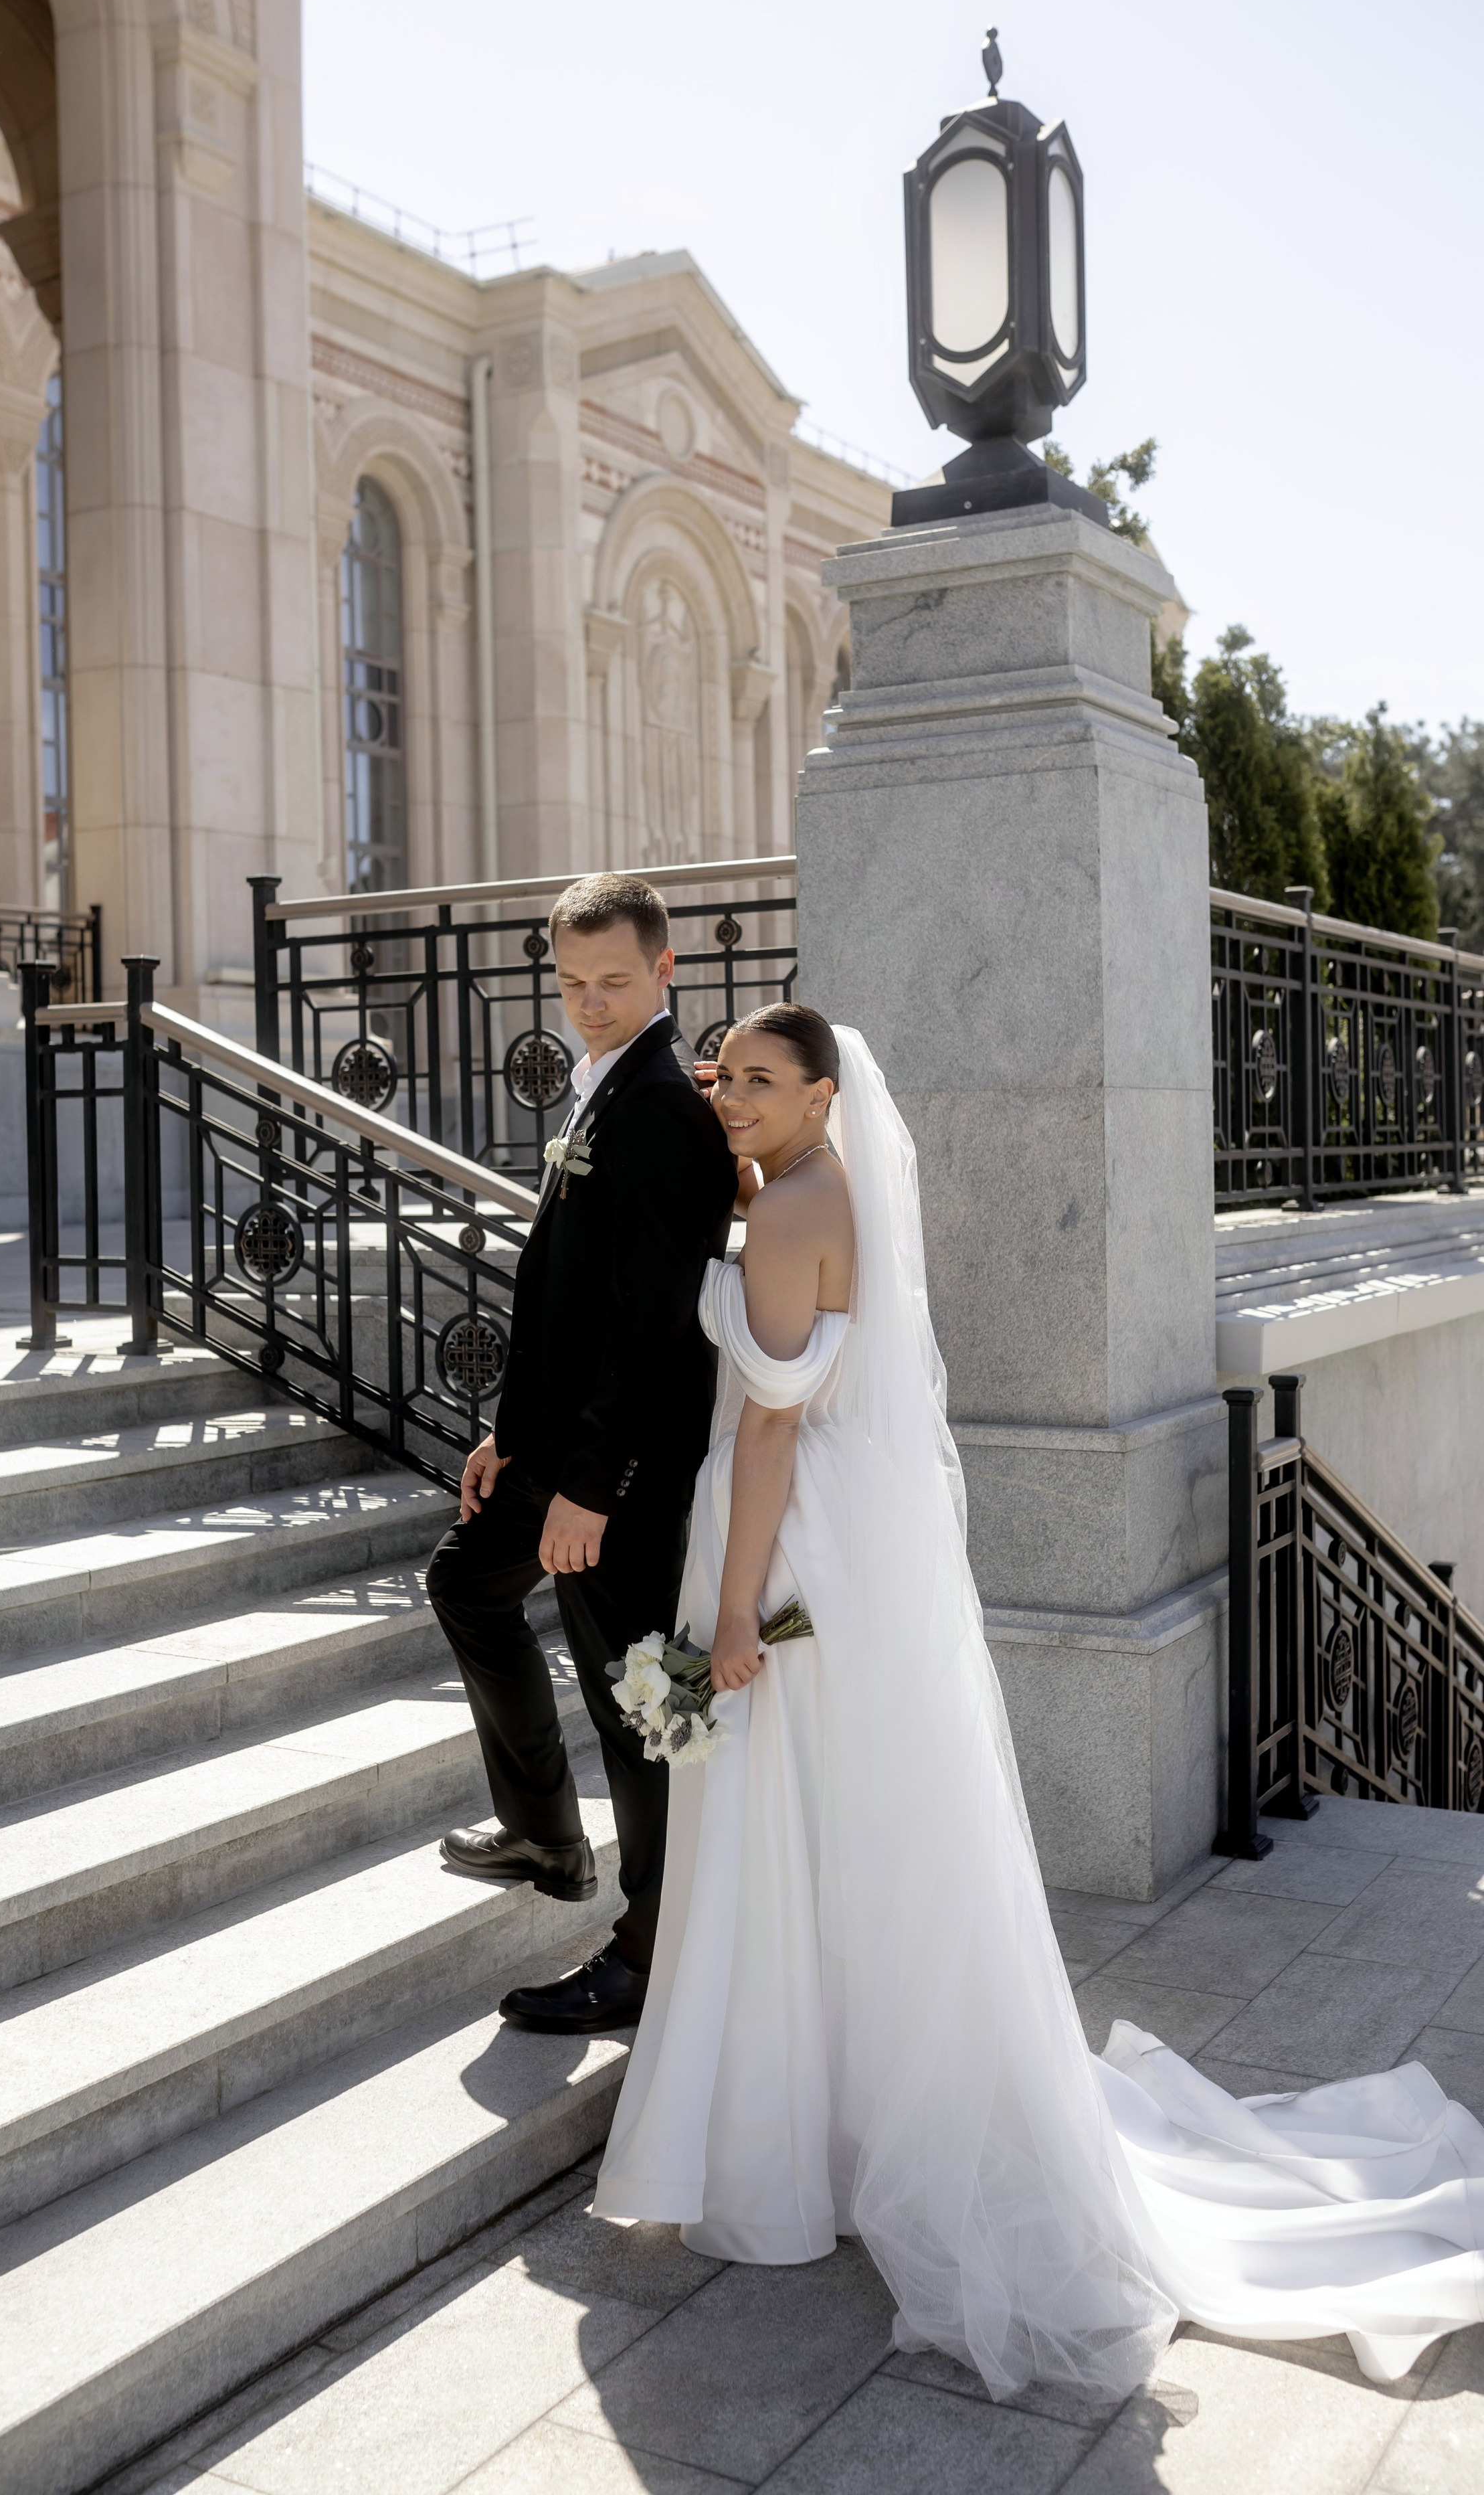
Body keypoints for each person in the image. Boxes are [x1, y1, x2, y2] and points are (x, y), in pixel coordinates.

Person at [594, 1001, 1484, 2399]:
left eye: (760, 1082)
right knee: (853, 1835)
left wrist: (728, 1617)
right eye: (723, 1080)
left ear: (824, 1091)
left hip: (789, 1545)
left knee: (792, 1831)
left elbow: (766, 1426)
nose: (731, 1099)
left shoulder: (781, 1214)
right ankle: (845, 2116)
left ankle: (792, 2139)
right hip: (855, 1539)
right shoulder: (832, 1192)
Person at [426, 873, 739, 2036]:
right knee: (465, 1581)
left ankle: (655, 1954)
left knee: (652, 1705)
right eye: (572, 984)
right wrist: (514, 1431)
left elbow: (652, 1322)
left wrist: (592, 1489)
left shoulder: (659, 1102)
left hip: (626, 1471)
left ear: (665, 971)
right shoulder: (614, 1088)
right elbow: (574, 1299)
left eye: (615, 981)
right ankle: (548, 1837)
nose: (591, 1004)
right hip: (556, 1450)